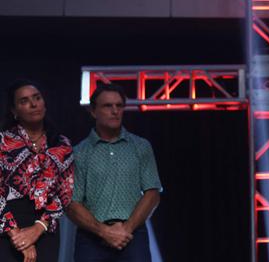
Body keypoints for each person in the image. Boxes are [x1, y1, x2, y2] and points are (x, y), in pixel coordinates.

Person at [66, 84, 161, 262]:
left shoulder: (140, 146)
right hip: (91, 237)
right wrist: (104, 231)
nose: (115, 111)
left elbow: (152, 193)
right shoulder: (79, 153)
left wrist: (126, 229)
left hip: (132, 235)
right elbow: (72, 203)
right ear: (93, 112)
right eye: (108, 106)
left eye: (119, 105)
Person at [0, 80, 74, 262]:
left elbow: (64, 193)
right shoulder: (3, 141)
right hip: (6, 228)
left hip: (45, 228)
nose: (33, 104)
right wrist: (18, 236)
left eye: (37, 98)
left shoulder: (61, 144)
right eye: (24, 101)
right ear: (14, 111)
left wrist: (38, 229)